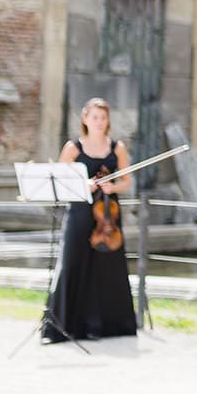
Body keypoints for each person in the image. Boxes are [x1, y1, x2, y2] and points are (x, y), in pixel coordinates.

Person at [42, 97, 137, 343]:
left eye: (103, 118)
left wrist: (112, 187)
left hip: (108, 215)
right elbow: (61, 178)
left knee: (108, 269)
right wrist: (84, 183)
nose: (99, 122)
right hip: (80, 212)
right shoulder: (73, 148)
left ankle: (109, 326)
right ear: (85, 119)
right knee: (73, 263)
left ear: (108, 121)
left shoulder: (117, 148)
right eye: (94, 117)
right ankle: (65, 327)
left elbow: (127, 181)